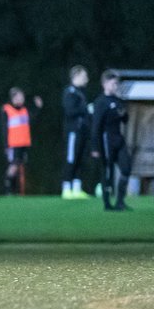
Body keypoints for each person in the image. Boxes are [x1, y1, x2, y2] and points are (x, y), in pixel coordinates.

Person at [90, 69, 130, 211]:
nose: (115, 86)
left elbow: (125, 120)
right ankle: (107, 204)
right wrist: (94, 147)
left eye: (116, 84)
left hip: (119, 139)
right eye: (113, 83)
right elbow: (96, 126)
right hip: (106, 142)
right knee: (108, 172)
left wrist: (124, 113)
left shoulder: (118, 100)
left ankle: (120, 201)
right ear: (105, 84)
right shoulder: (100, 102)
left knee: (126, 169)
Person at [0, 87, 43, 195]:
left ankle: (17, 191)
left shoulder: (24, 110)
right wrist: (6, 145)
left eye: (22, 96)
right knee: (13, 166)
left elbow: (30, 122)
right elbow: (4, 129)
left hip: (24, 143)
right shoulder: (6, 109)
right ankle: (8, 189)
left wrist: (38, 108)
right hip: (13, 144)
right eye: (19, 96)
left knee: (19, 166)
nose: (21, 99)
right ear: (13, 97)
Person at [62, 66, 90, 199]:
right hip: (73, 131)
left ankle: (77, 189)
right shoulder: (70, 92)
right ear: (76, 76)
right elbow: (70, 111)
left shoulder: (81, 92)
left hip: (82, 131)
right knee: (71, 158)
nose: (86, 79)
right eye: (84, 76)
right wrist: (85, 109)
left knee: (80, 158)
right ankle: (66, 188)